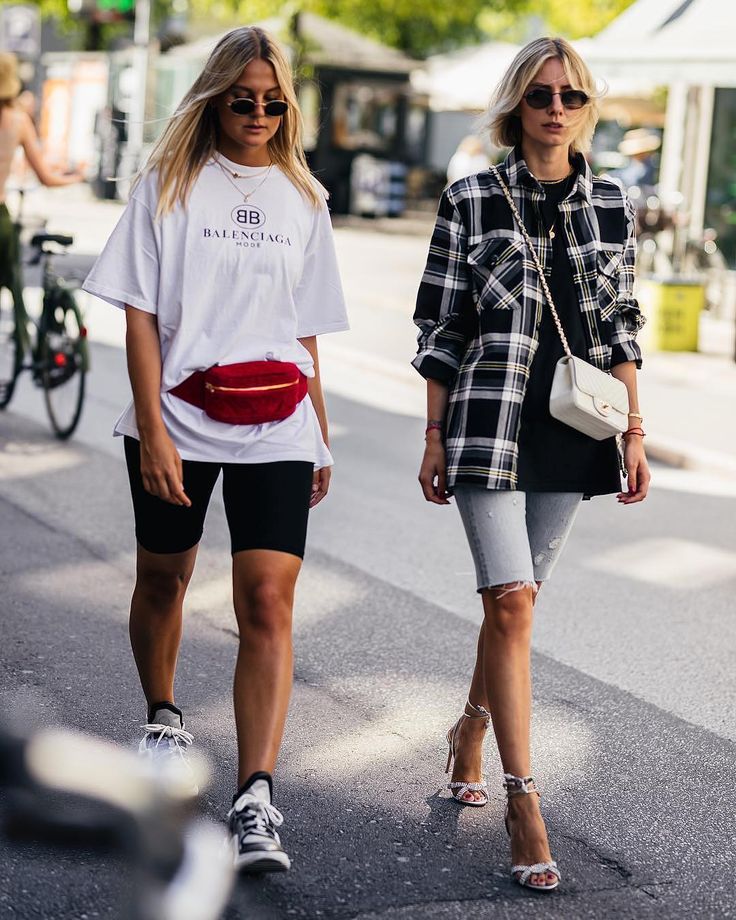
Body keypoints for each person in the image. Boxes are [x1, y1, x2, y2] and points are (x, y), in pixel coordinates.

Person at [82, 26, 348, 873]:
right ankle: (162, 718)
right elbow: (136, 314)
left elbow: (304, 328)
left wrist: (320, 422)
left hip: (277, 421)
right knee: (164, 576)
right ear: (215, 96)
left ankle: (256, 797)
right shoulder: (167, 186)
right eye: (244, 98)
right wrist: (151, 426)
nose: (260, 113)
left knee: (267, 602)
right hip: (181, 420)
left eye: (274, 100)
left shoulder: (306, 199)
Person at [413, 37, 649, 893]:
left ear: (589, 108)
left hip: (574, 425)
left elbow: (623, 323)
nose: (557, 108)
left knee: (519, 605)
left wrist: (635, 431)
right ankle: (523, 798)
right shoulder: (472, 197)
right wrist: (433, 435)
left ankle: (471, 727)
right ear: (518, 103)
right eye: (543, 94)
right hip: (487, 420)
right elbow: (440, 329)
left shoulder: (616, 202)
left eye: (573, 96)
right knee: (508, 601)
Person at [0, 53, 82, 311]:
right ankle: (22, 340)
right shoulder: (18, 121)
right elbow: (47, 178)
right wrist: (76, 176)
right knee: (12, 285)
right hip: (0, 220)